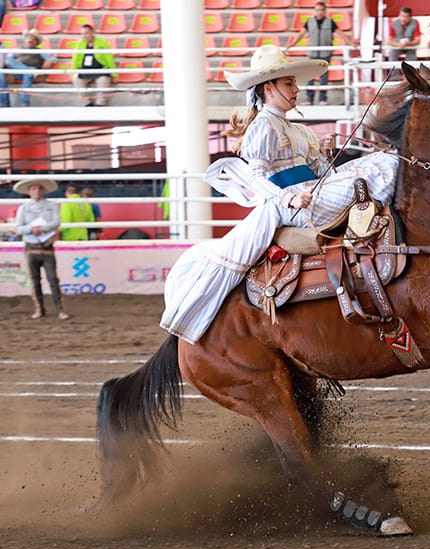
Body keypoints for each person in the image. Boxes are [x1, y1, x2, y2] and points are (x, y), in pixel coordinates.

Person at [160, 45, 399, 344]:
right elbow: (256, 176)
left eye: (295, 83)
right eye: (290, 83)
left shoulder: (298, 130)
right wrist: (288, 199)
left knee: (386, 161)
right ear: (268, 87)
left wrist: (323, 154)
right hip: (294, 205)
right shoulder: (262, 127)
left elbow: (324, 172)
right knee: (383, 167)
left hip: (313, 194)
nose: (297, 88)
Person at [13, 177, 70, 320]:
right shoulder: (23, 208)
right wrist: (32, 229)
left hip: (46, 246)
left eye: (39, 188)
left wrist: (41, 228)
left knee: (52, 278)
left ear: (42, 190)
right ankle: (40, 309)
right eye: (33, 188)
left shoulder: (52, 206)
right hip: (31, 247)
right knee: (35, 279)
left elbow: (57, 222)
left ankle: (60, 309)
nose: (36, 191)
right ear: (29, 192)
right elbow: (18, 228)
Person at [286, 1, 353, 105]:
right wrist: (292, 44)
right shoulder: (309, 21)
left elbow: (341, 34)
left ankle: (322, 99)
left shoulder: (330, 22)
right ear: (314, 11)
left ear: (325, 11)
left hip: (325, 54)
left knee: (324, 77)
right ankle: (309, 99)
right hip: (312, 53)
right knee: (310, 77)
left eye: (322, 10)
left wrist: (350, 43)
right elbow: (301, 34)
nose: (319, 12)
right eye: (317, 10)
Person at [0, 29, 56, 108]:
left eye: (34, 38)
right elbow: (7, 60)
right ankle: (4, 104)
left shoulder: (39, 51)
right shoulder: (17, 50)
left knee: (28, 74)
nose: (31, 40)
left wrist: (50, 60)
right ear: (25, 39)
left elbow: (53, 58)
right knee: (3, 71)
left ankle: (24, 104)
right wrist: (9, 72)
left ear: (37, 42)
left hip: (27, 74)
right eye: (29, 37)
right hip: (17, 71)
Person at [71, 24, 117, 107]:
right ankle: (87, 104)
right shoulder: (79, 44)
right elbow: (75, 60)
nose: (85, 36)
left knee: (103, 80)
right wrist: (72, 73)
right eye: (83, 34)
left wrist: (114, 74)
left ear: (92, 32)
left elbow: (109, 59)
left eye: (87, 33)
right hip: (85, 70)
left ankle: (100, 104)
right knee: (76, 79)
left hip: (100, 70)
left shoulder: (102, 42)